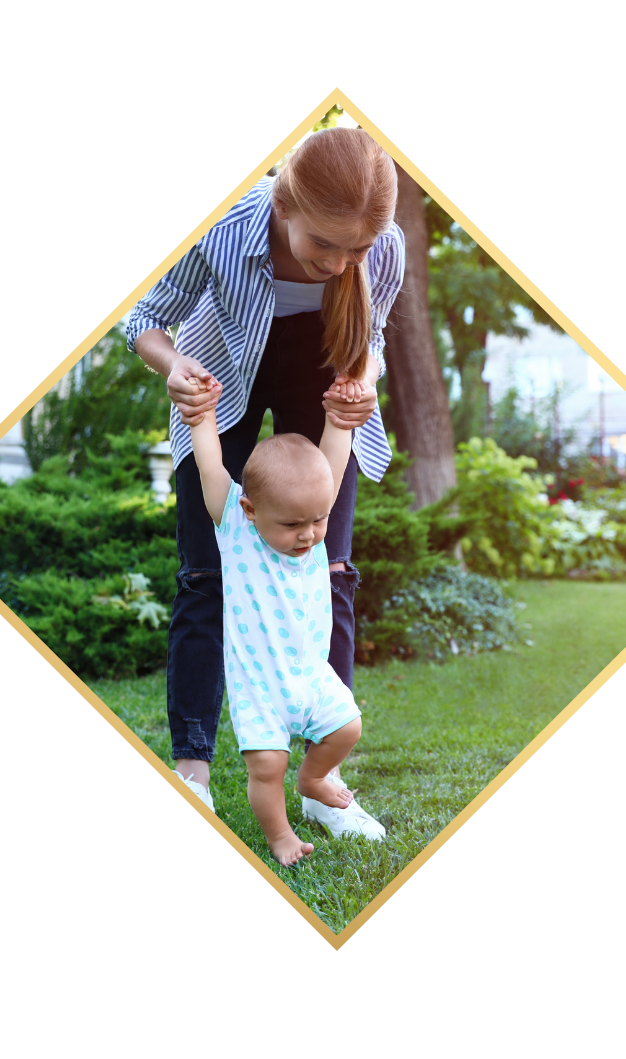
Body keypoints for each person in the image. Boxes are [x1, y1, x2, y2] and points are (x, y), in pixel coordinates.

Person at [126, 127, 402, 839]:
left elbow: (370, 341)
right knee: (205, 576)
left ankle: (321, 781)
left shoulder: (386, 247)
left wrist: (361, 388)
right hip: (223, 383)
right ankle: (192, 772)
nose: (341, 264)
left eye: (358, 251)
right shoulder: (223, 230)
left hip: (323, 375)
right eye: (324, 246)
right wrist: (175, 370)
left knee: (330, 568)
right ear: (285, 205)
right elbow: (146, 321)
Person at [183, 379, 366, 865]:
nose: (308, 536)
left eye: (318, 521)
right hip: (260, 688)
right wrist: (202, 419)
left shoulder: (311, 518)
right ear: (250, 509)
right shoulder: (234, 527)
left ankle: (313, 779)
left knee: (347, 727)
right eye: (292, 525)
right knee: (266, 767)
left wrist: (337, 418)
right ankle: (282, 836)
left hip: (311, 675)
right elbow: (209, 466)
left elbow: (333, 459)